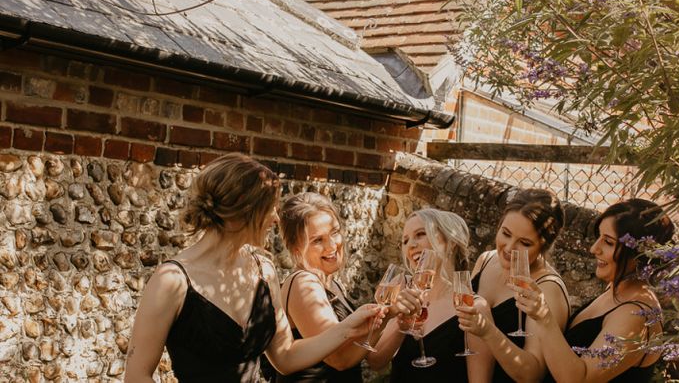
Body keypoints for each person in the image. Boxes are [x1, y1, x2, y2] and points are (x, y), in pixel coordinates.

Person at [124, 153, 377, 383]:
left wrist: (348, 328)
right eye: (270, 207)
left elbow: (286, 357)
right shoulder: (172, 281)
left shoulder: (263, 270)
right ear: (245, 209)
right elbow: (137, 376)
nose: (276, 218)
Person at [516, 198, 675, 383]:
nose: (594, 248)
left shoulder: (636, 316)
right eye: (598, 237)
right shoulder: (616, 289)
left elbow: (580, 380)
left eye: (608, 242)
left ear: (638, 253)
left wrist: (544, 318)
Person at [456, 188, 570, 383]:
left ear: (545, 245)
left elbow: (532, 374)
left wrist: (488, 332)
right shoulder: (486, 260)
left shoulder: (547, 290)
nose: (509, 248)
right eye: (506, 233)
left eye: (524, 243)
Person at [274, 192, 376, 382]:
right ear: (296, 247)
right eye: (317, 240)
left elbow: (361, 352)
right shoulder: (304, 283)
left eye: (335, 232)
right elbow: (339, 359)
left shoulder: (331, 283)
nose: (332, 246)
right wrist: (381, 323)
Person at [367, 208, 472, 382]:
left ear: (450, 242)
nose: (411, 245)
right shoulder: (400, 289)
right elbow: (376, 362)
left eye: (420, 234)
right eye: (405, 240)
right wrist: (400, 325)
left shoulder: (466, 302)